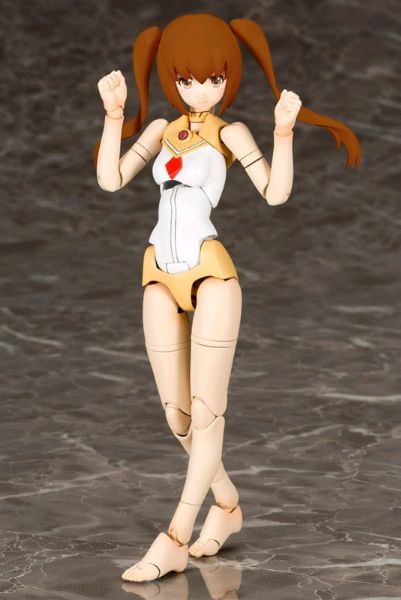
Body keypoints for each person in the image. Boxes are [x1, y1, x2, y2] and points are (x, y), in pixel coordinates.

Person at [94, 13, 361, 582]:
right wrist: (114, 117)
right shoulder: (161, 128)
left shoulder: (231, 133)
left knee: (208, 414)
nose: (201, 89)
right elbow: (111, 180)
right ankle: (228, 504)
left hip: (211, 275)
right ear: (172, 77)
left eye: (213, 78)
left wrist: (283, 132)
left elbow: (275, 193)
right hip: (157, 272)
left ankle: (174, 537)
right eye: (188, 78)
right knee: (180, 419)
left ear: (228, 77)